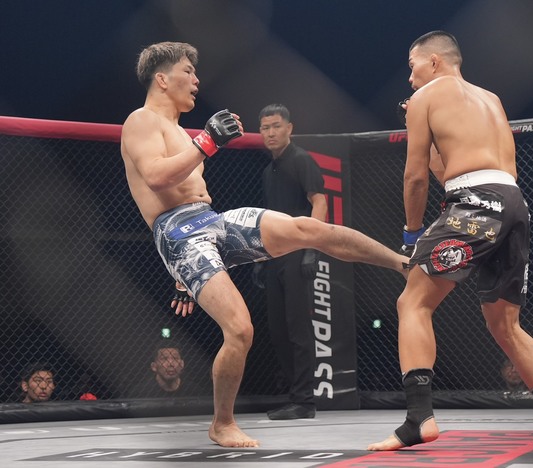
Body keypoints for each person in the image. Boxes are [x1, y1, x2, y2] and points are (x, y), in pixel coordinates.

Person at [120, 41, 408, 448]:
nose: (197, 80)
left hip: (210, 220)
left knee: (308, 228)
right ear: (162, 79)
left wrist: (183, 279)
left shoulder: (180, 132)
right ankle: (222, 424)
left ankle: (401, 263)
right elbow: (156, 178)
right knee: (239, 328)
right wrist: (207, 142)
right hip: (178, 232)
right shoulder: (141, 121)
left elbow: (188, 185)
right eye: (188, 70)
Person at [368, 31, 533, 451]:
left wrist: (412, 235)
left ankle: (419, 418)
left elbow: (415, 177)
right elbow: (448, 172)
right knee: (506, 325)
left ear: (433, 61)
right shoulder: (491, 99)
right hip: (513, 204)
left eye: (412, 66)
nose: (409, 78)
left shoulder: (426, 97)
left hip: (474, 203)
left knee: (413, 302)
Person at [254, 104, 325, 420]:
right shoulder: (268, 171)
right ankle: (295, 396)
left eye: (276, 126)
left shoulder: (301, 160)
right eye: (265, 127)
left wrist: (312, 248)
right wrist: (260, 255)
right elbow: (268, 217)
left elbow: (319, 202)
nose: (270, 132)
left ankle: (305, 401)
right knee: (278, 329)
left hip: (297, 251)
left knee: (298, 327)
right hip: (274, 254)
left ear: (289, 128)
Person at [129, 341, 207, 398]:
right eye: (164, 359)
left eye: (175, 358)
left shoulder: (194, 392)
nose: (170, 363)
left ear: (182, 364)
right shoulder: (140, 393)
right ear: (154, 366)